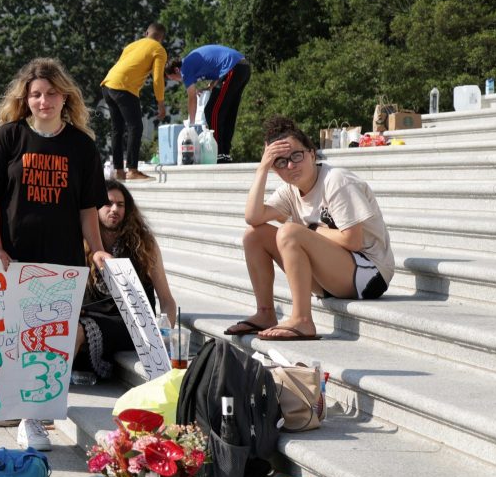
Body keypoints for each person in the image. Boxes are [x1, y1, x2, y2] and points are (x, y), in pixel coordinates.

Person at [0, 58, 111, 454]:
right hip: (5, 257)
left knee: (44, 346)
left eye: (50, 93)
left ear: (65, 97)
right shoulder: (8, 137)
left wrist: (97, 250)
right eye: (35, 94)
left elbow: (87, 209)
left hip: (58, 260)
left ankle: (33, 421)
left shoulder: (81, 146)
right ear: (25, 99)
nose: (43, 100)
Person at [225, 116, 394, 341]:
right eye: (281, 162)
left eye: (297, 156)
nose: (291, 165)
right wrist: (262, 169)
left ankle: (302, 320)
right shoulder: (290, 191)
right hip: (333, 276)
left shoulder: (336, 181)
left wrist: (310, 228)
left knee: (289, 231)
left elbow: (353, 240)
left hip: (370, 274)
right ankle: (265, 312)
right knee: (254, 236)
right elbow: (253, 217)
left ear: (312, 154)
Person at [70, 180, 179, 385]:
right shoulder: (81, 242)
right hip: (93, 319)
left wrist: (162, 334)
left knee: (76, 331)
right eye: (108, 203)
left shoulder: (143, 243)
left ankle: (46, 398)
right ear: (94, 209)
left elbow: (167, 300)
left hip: (131, 324)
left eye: (120, 204)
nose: (114, 209)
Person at [100, 23, 169, 181]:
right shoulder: (159, 49)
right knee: (135, 127)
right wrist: (160, 102)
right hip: (124, 87)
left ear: (146, 33)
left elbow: (122, 64)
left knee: (117, 129)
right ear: (161, 38)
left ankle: (118, 171)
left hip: (107, 84)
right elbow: (157, 78)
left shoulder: (132, 45)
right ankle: (132, 170)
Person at [165, 44, 250, 162]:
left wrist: (192, 125)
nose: (176, 81)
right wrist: (212, 85)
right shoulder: (190, 64)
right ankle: (225, 153)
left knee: (212, 111)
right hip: (243, 68)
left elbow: (192, 98)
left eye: (173, 78)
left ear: (176, 70)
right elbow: (216, 63)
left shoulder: (185, 68)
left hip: (233, 68)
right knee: (228, 112)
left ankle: (219, 153)